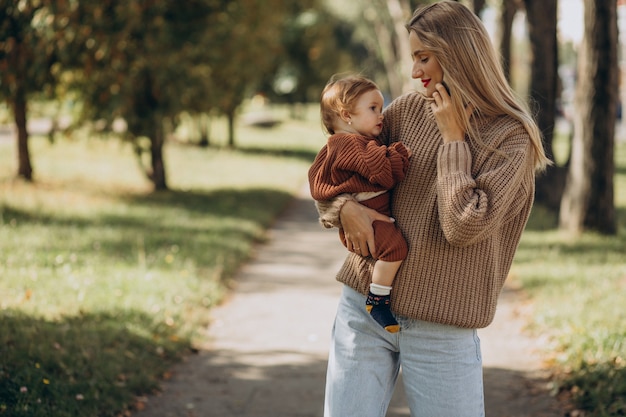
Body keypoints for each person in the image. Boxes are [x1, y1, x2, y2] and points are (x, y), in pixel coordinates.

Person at [316, 2, 552, 416]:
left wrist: (454, 140)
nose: (414, 72)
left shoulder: (509, 138)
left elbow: (464, 225)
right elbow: (336, 162)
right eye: (413, 58)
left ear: (458, 53)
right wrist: (343, 208)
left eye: (423, 57)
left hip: (441, 328)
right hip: (362, 309)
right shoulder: (406, 110)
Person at [308, 74, 411, 333]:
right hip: (370, 218)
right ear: (346, 116)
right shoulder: (351, 144)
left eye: (381, 106)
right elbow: (383, 171)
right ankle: (378, 299)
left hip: (369, 214)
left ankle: (378, 294)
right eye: (373, 108)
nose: (381, 115)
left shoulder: (340, 144)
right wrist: (398, 154)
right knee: (396, 249)